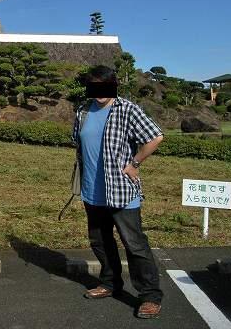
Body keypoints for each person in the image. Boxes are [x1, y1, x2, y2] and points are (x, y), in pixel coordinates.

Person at [72, 65, 164, 319]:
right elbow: (78, 143)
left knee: (134, 245)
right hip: (92, 191)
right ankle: (110, 283)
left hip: (121, 190)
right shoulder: (82, 110)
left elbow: (155, 137)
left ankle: (150, 296)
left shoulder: (127, 109)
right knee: (100, 241)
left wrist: (135, 163)